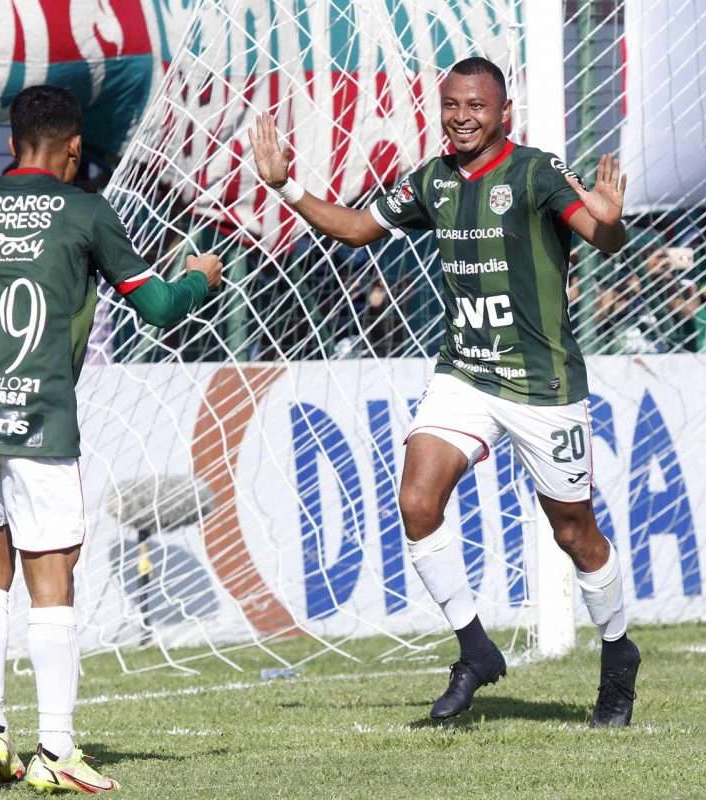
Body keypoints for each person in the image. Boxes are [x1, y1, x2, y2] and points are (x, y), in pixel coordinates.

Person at [249, 56, 640, 726]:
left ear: (504, 114)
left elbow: (602, 235)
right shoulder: (432, 180)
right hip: (465, 373)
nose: (462, 117)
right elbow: (358, 229)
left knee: (574, 533)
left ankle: (617, 653)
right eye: (452, 105)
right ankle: (474, 647)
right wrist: (288, 189)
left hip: (542, 385)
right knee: (416, 499)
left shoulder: (535, 172)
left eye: (477, 107)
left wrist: (610, 219)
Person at [0, 85, 222, 792]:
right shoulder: (85, 212)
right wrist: (198, 278)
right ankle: (56, 749)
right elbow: (160, 309)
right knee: (53, 579)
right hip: (38, 418)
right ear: (74, 149)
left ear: (14, 142)